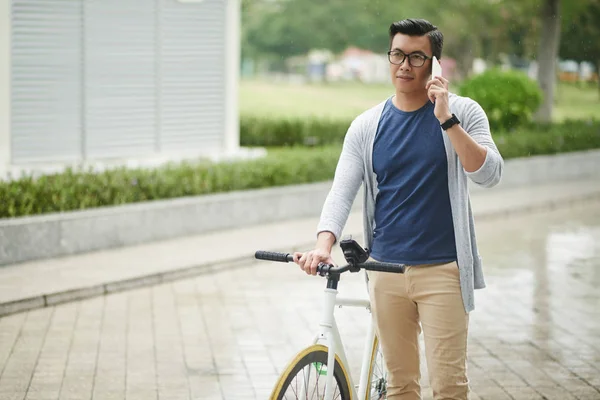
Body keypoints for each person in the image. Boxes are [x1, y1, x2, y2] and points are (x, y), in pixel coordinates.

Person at [292, 18, 504, 400]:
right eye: (397, 54)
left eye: (416, 57)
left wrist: (447, 120)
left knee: (449, 388)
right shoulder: (366, 125)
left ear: (435, 64)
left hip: (443, 270)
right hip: (385, 271)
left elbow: (489, 174)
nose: (404, 65)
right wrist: (324, 244)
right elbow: (342, 191)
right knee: (400, 386)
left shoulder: (465, 112)